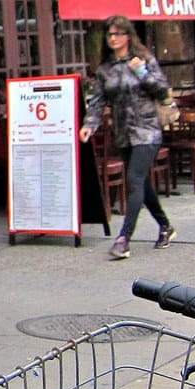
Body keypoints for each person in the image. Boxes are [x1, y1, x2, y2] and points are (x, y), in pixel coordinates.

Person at [79, 16, 173, 260]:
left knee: (133, 179)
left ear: (128, 36)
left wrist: (141, 72)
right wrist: (89, 124)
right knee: (141, 184)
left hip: (147, 129)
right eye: (110, 35)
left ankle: (124, 239)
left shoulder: (144, 60)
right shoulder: (105, 70)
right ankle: (165, 226)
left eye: (118, 34)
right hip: (123, 133)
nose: (113, 39)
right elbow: (98, 101)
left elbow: (162, 90)